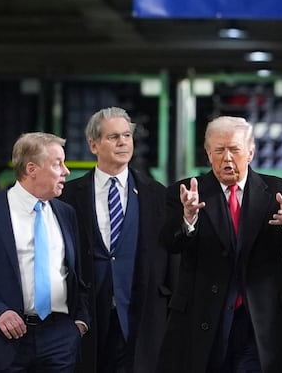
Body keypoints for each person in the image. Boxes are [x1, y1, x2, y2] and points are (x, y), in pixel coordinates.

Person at [157, 115, 282, 373]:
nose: (227, 158)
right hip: (202, 318)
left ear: (250, 152)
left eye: (234, 150)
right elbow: (169, 242)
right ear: (208, 153)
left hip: (259, 322)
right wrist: (188, 218)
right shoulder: (185, 193)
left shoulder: (278, 191)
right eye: (219, 150)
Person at [0, 132, 89, 372]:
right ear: (31, 169)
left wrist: (80, 322)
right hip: (4, 338)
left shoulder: (66, 213)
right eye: (58, 163)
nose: (66, 171)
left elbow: (79, 273)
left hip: (60, 336)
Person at [60, 107, 177, 373]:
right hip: (88, 320)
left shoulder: (157, 195)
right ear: (93, 145)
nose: (123, 142)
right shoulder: (68, 197)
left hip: (141, 317)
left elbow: (171, 258)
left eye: (127, 136)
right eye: (114, 137)